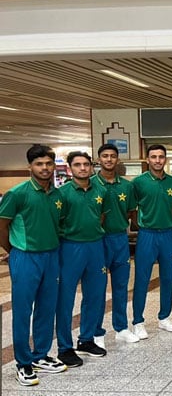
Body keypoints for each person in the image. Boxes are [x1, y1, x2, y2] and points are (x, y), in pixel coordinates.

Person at [0, 145, 68, 386]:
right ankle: (23, 363)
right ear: (30, 166)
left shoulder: (57, 195)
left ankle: (40, 354)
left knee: (47, 308)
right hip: (26, 257)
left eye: (49, 163)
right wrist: (15, 251)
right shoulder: (17, 194)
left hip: (51, 256)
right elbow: (2, 227)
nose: (45, 168)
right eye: (39, 164)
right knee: (22, 311)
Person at [55, 151, 108, 368]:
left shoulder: (101, 190)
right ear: (70, 168)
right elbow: (56, 221)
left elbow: (101, 216)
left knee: (95, 295)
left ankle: (86, 339)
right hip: (70, 247)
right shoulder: (62, 194)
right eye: (78, 165)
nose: (83, 168)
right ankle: (64, 347)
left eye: (86, 164)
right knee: (65, 298)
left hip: (96, 246)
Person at [93, 144, 141, 345]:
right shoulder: (91, 185)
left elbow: (132, 214)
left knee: (121, 285)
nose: (109, 159)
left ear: (118, 160)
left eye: (113, 156)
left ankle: (121, 327)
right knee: (97, 287)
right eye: (105, 156)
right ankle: (95, 332)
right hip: (97, 241)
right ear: (99, 159)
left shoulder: (127, 186)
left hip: (119, 239)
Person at [131, 144, 172, 338]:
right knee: (142, 278)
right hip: (147, 235)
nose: (157, 160)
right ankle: (138, 321)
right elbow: (132, 210)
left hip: (168, 234)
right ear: (148, 159)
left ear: (165, 159)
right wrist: (144, 224)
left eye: (161, 157)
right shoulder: (138, 182)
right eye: (154, 157)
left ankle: (164, 317)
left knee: (168, 277)